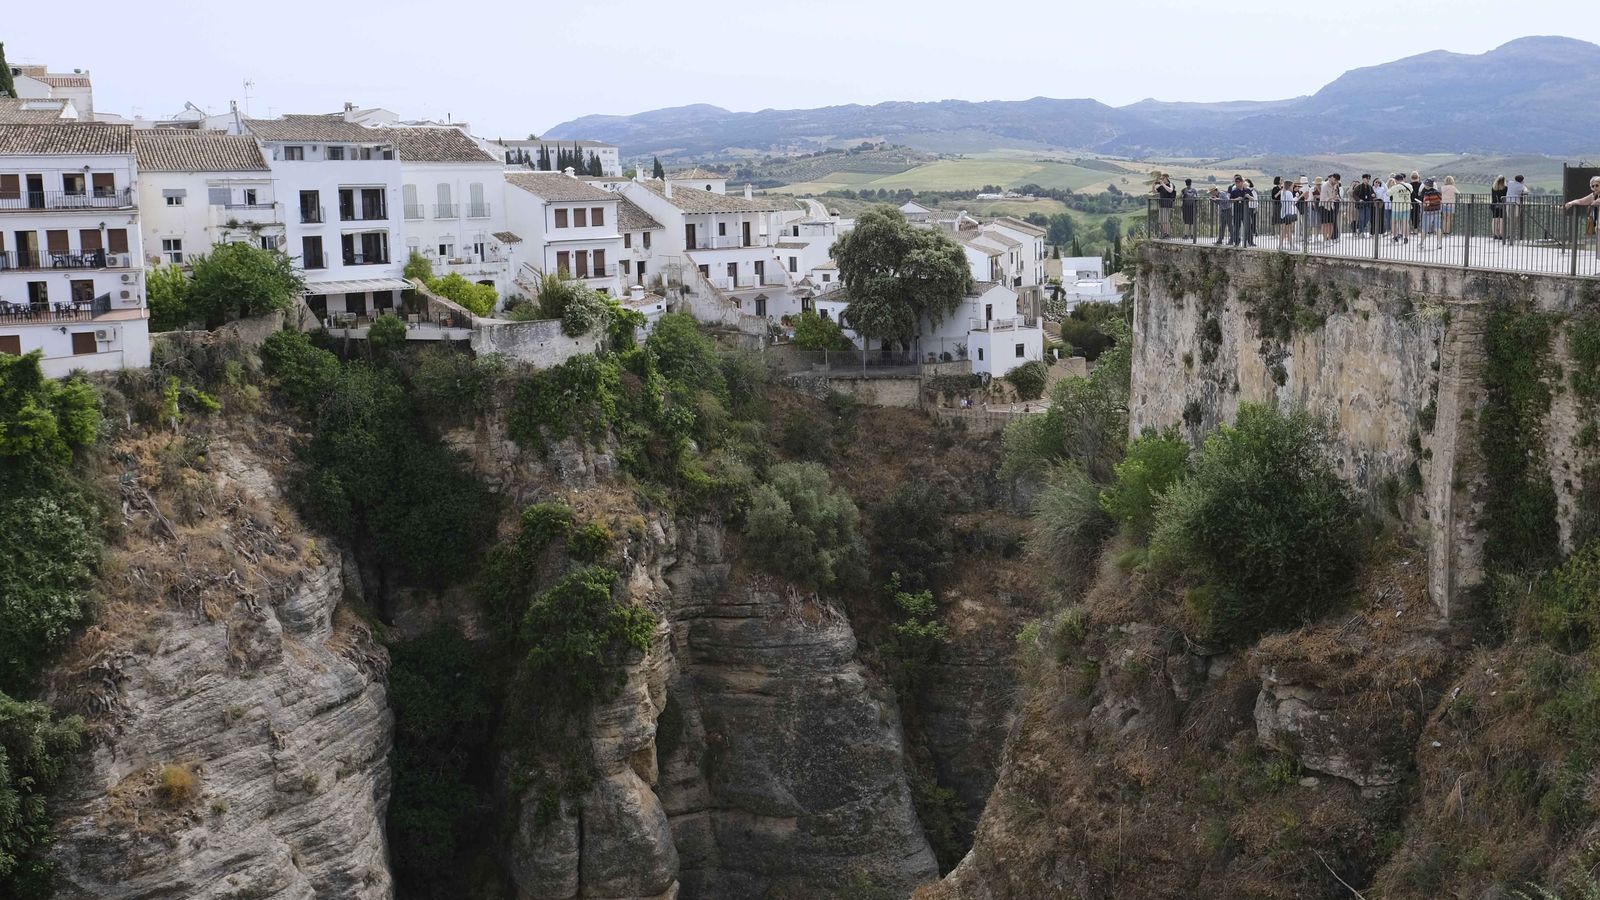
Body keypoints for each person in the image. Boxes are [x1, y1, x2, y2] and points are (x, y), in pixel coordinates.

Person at [1565, 175, 1600, 261]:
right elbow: (1581, 201)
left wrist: (1595, 203)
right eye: (1593, 186)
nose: (1595, 187)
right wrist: (1571, 203)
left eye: (1597, 185)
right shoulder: (1594, 196)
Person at [1418, 178, 1444, 250]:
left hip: (1428, 212)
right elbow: (1441, 201)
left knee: (1424, 229)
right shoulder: (1438, 192)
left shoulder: (1426, 194)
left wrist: (1422, 204)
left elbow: (1427, 204)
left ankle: (1422, 243)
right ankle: (1439, 243)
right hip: (1437, 211)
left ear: (1426, 185)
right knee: (1437, 228)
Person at [1506, 174, 1529, 244]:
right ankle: (1513, 234)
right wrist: (1523, 185)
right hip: (1516, 203)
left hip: (1508, 202)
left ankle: (1509, 234)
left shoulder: (1510, 183)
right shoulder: (1521, 186)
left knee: (1510, 219)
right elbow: (1526, 192)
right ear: (1522, 180)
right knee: (1515, 219)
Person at [1389, 174, 1413, 244]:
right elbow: (1411, 192)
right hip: (1407, 207)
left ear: (1396, 180)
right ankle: (1406, 238)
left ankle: (1395, 237)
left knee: (1394, 222)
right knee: (1405, 223)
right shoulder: (1409, 186)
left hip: (1397, 208)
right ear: (1403, 179)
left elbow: (1388, 193)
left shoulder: (1395, 187)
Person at [1278, 177, 1300, 249]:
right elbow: (1292, 203)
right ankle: (1291, 245)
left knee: (1284, 229)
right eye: (1292, 186)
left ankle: (1281, 245)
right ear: (1289, 186)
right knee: (1289, 229)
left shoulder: (1282, 192)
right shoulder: (1289, 193)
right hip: (1289, 213)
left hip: (1283, 213)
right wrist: (1297, 197)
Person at [1154, 173, 1177, 238]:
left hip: (1167, 204)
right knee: (1161, 220)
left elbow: (1170, 190)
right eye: (1161, 178)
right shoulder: (1161, 186)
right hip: (1161, 204)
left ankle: (1168, 234)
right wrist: (1154, 185)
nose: (1162, 179)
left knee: (1166, 220)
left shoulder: (1171, 184)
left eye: (1163, 178)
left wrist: (1163, 184)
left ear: (1167, 178)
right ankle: (1165, 233)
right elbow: (1155, 191)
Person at [1228, 175, 1248, 246]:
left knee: (1247, 226)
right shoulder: (1234, 191)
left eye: (1238, 182)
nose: (1237, 183)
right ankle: (1236, 242)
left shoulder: (1246, 190)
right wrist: (1237, 199)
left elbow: (1252, 199)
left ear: (1242, 182)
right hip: (1237, 211)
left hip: (1245, 211)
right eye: (1236, 182)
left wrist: (1248, 197)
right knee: (1236, 227)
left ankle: (1248, 241)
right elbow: (1230, 200)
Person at [1243, 178, 1259, 247]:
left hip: (1252, 208)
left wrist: (1256, 207)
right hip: (1247, 208)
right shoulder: (1244, 191)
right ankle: (1248, 240)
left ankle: (1250, 240)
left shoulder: (1252, 191)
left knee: (1252, 225)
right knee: (1248, 225)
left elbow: (1255, 199)